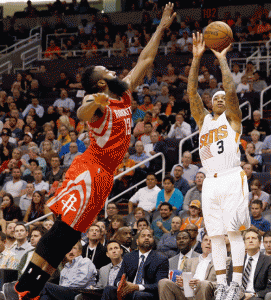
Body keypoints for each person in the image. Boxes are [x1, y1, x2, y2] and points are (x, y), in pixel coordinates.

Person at [12, 4, 176, 300]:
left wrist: (162, 27)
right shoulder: (99, 103)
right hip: (90, 168)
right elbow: (85, 112)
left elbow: (146, 58)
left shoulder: (123, 93)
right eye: (107, 71)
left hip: (105, 175)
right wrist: (92, 100)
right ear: (101, 82)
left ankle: (31, 289)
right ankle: (24, 286)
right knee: (64, 229)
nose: (114, 71)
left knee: (72, 235)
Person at [187, 32, 250, 299]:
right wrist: (196, 58)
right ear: (210, 103)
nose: (220, 99)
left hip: (231, 176)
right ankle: (223, 284)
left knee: (233, 232)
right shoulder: (203, 121)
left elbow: (232, 90)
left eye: (223, 97)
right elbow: (191, 91)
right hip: (209, 181)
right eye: (216, 97)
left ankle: (237, 282)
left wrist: (222, 59)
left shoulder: (232, 120)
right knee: (214, 236)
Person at [159, 233, 232, 300]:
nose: (208, 243)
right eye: (205, 240)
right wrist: (182, 283)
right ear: (201, 244)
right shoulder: (190, 261)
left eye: (211, 241)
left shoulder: (224, 261)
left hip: (207, 293)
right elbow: (183, 281)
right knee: (164, 282)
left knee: (203, 284)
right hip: (187, 294)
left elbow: (224, 284)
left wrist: (200, 283)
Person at [101, 228, 169, 300]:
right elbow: (118, 279)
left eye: (149, 236)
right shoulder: (129, 257)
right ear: (137, 241)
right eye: (143, 236)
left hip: (147, 293)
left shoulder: (161, 258)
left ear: (153, 241)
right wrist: (122, 285)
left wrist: (137, 287)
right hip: (129, 291)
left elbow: (159, 285)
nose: (146, 238)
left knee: (138, 295)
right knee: (108, 289)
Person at [241, 229, 271, 300]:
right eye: (248, 238)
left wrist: (254, 295)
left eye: (254, 238)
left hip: (255, 296)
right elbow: (229, 282)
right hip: (238, 294)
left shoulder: (268, 261)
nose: (250, 241)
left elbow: (270, 287)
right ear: (244, 243)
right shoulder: (236, 261)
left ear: (260, 243)